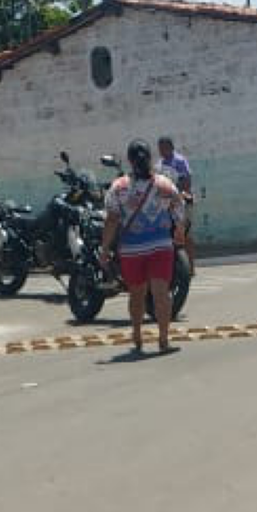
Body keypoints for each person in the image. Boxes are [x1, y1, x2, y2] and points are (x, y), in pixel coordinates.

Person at [100, 139, 183, 354]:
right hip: (161, 247)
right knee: (161, 293)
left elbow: (111, 219)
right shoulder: (163, 183)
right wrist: (179, 230)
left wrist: (105, 249)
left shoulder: (118, 187)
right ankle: (163, 339)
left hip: (131, 250)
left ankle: (137, 336)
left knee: (136, 294)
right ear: (150, 158)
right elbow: (178, 203)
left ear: (129, 160)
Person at [156, 135, 196, 276]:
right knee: (171, 234)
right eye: (159, 147)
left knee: (186, 234)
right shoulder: (159, 164)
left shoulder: (179, 160)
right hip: (167, 204)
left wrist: (174, 190)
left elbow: (187, 182)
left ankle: (190, 267)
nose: (160, 150)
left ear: (171, 147)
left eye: (163, 147)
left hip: (183, 201)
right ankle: (176, 268)